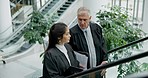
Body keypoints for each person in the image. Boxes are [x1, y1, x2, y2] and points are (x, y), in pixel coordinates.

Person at [69, 7, 108, 78]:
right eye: (80, 19)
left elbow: (103, 44)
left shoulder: (96, 28)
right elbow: (70, 53)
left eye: (85, 20)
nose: (82, 22)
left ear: (90, 18)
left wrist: (105, 61)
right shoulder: (72, 32)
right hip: (82, 73)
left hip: (98, 69)